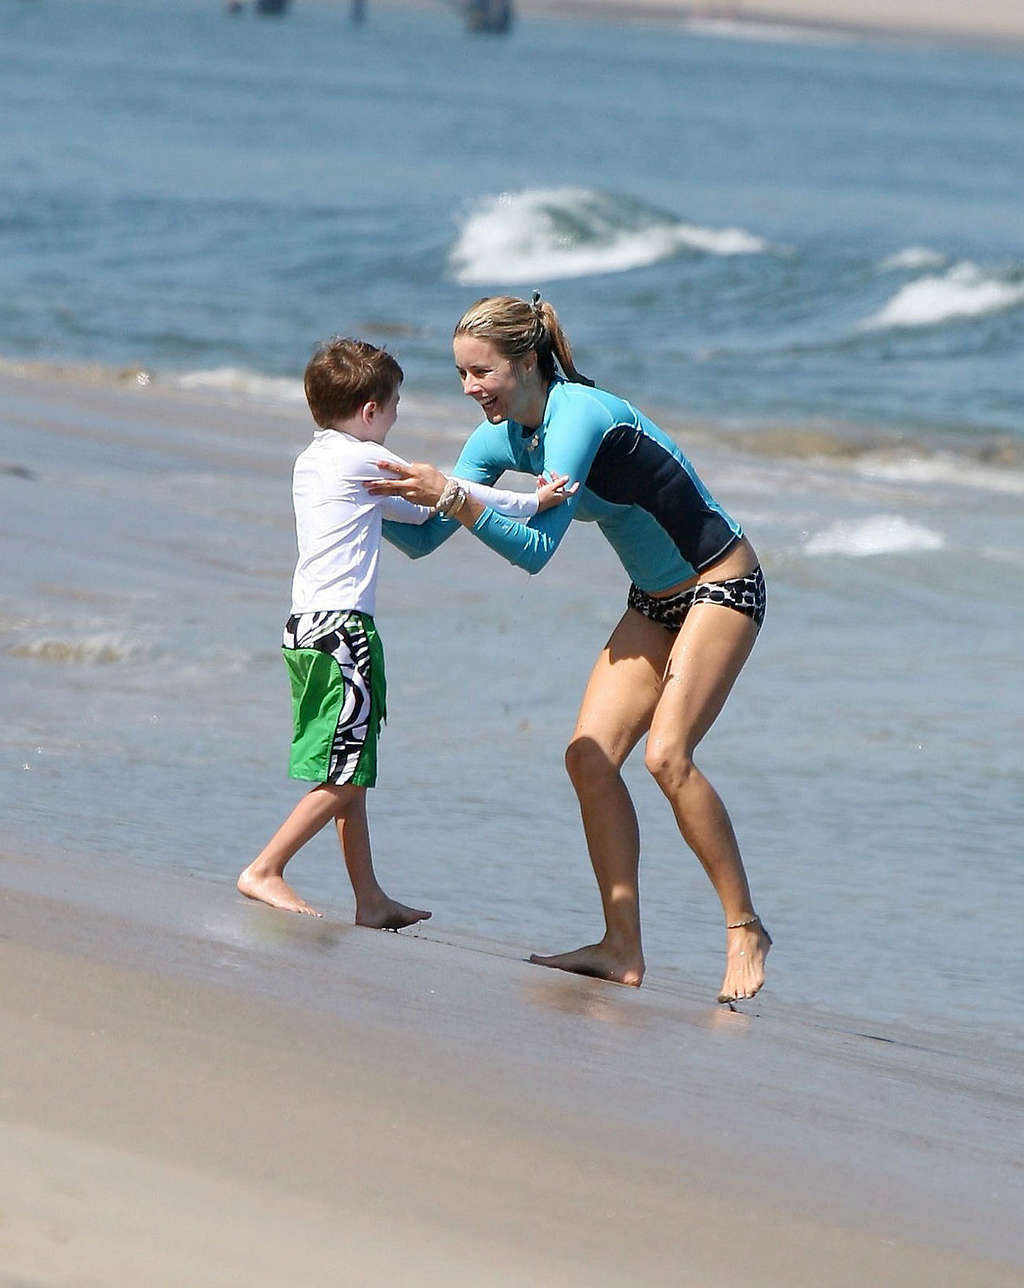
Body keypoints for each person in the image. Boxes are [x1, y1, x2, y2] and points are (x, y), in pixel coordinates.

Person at [368, 295, 771, 1002]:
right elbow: (429, 539)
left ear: (527, 362)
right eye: (461, 375)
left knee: (667, 757)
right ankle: (621, 947)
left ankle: (744, 928)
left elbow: (535, 552)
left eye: (481, 373)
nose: (470, 389)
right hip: (654, 600)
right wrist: (365, 502)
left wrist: (453, 497)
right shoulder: (499, 440)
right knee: (588, 757)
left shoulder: (576, 419)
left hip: (722, 583)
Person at [237, 336, 575, 923]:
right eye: (394, 406)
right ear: (370, 411)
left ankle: (369, 898)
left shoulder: (315, 459)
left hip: (304, 628)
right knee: (343, 776)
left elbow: (416, 512)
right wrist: (535, 500)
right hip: (344, 633)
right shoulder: (363, 459)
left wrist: (443, 501)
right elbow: (452, 494)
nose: (396, 417)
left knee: (348, 769)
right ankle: (265, 868)